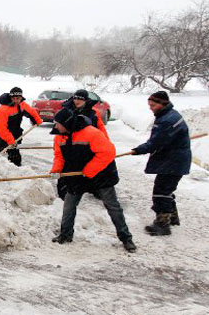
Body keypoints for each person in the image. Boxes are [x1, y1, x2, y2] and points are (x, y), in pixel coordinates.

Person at [49, 108, 136, 253]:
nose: (55, 127)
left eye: (58, 123)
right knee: (69, 205)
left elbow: (108, 153)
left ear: (66, 123)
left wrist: (89, 170)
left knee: (113, 207)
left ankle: (126, 238)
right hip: (76, 176)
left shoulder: (92, 133)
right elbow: (59, 156)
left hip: (101, 176)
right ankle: (65, 235)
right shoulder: (59, 137)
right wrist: (56, 170)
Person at [131, 91, 191, 236]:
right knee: (167, 189)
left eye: (152, 105)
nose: (150, 108)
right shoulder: (171, 115)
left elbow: (156, 143)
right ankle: (173, 218)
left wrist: (139, 150)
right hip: (176, 159)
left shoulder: (166, 120)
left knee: (161, 192)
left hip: (173, 161)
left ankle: (163, 224)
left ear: (162, 104)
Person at [0, 87, 42, 166]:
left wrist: (37, 120)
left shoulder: (21, 104)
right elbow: (1, 129)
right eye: (14, 98)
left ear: (21, 97)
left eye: (18, 98)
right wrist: (10, 140)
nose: (16, 100)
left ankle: (15, 170)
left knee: (15, 158)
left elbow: (31, 111)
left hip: (14, 134)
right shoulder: (3, 110)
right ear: (10, 97)